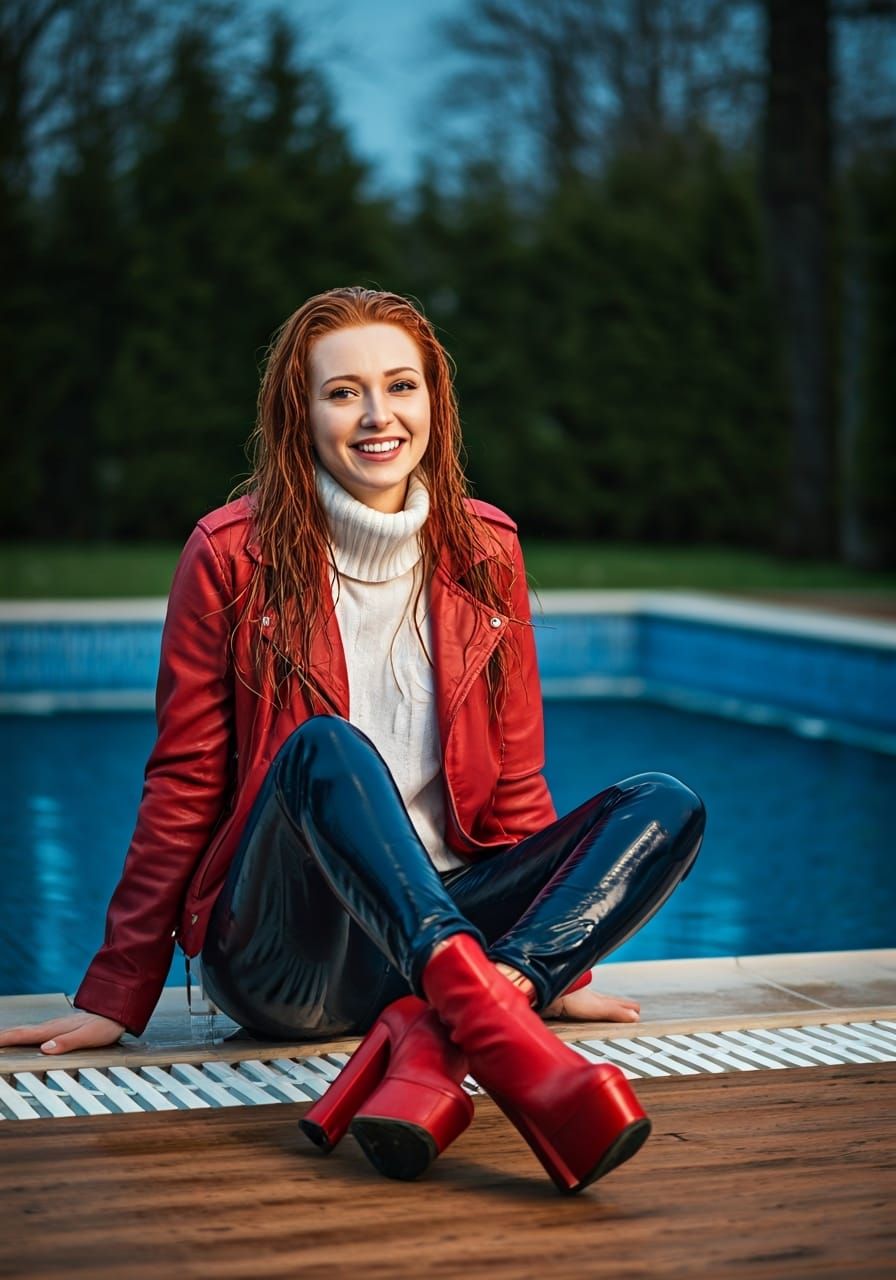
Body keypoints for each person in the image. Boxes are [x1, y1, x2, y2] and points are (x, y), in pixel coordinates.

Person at [0, 287, 704, 1193]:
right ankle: (498, 1032)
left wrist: (557, 968)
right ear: (299, 413)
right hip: (293, 957)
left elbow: (518, 786)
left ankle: (466, 1014)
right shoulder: (230, 555)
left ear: (434, 402)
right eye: (343, 392)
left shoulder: (487, 549)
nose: (379, 416)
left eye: (401, 386)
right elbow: (183, 785)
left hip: (446, 930)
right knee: (324, 747)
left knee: (664, 804)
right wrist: (117, 989)